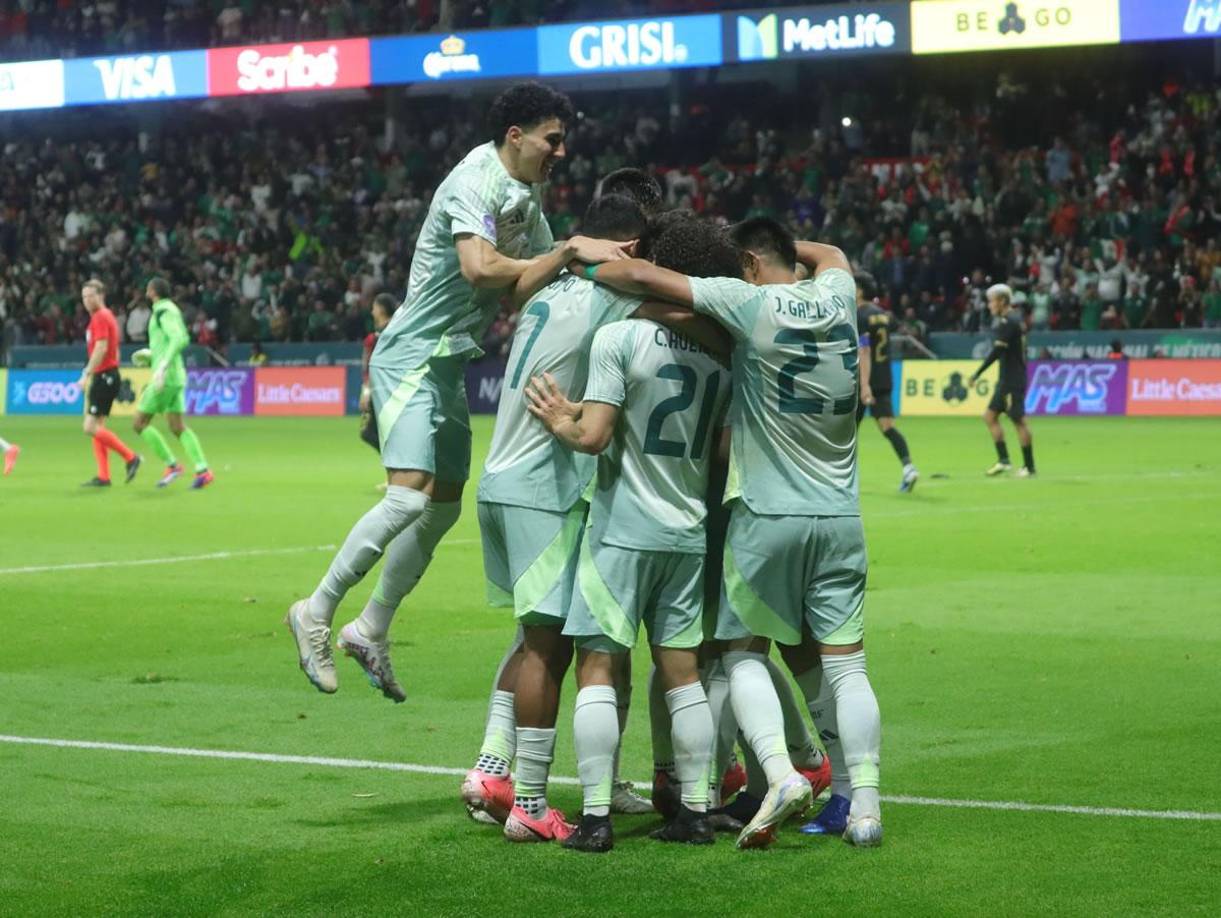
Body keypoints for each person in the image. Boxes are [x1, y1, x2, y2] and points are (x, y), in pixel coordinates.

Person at [284, 82, 627, 703]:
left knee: (442, 507)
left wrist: (580, 264)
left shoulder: (528, 192)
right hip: (412, 354)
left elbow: (525, 286)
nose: (561, 151)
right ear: (516, 136)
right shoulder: (475, 177)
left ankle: (370, 628)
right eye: (553, 139)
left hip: (449, 365)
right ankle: (316, 609)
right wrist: (571, 251)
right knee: (408, 499)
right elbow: (479, 267)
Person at [584, 219, 884, 849]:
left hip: (769, 516)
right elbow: (831, 251)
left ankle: (778, 771)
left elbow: (639, 276)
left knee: (740, 651)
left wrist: (578, 260)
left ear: (749, 263)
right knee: (847, 669)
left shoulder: (750, 303)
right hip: (842, 517)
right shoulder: (837, 297)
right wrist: (785, 245)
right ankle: (864, 808)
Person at [522, 218, 737, 853]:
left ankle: (594, 818)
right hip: (687, 533)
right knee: (682, 673)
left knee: (597, 667)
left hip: (621, 532)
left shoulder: (619, 339)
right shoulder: (723, 359)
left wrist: (561, 418)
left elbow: (593, 438)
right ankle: (696, 812)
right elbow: (722, 451)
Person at [131, 277, 213, 490]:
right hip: (176, 376)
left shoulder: (162, 312)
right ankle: (203, 470)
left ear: (152, 291)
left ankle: (172, 465)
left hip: (166, 378)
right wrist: (152, 357)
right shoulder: (169, 310)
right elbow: (171, 341)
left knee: (140, 423)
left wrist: (162, 366)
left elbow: (179, 338)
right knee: (177, 426)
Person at [852, 269, 918, 492]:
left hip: (863, 379)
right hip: (885, 377)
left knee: (848, 432)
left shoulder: (859, 315)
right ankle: (909, 467)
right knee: (888, 426)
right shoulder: (883, 315)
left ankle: (843, 479)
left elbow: (864, 350)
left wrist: (864, 385)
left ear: (859, 290)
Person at [78, 279, 141, 488]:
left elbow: (101, 347)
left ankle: (131, 457)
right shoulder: (106, 317)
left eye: (91, 296)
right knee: (98, 427)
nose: (87, 300)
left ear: (101, 295)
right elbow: (114, 348)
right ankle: (104, 476)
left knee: (89, 427)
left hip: (104, 375)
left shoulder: (100, 317)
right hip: (108, 374)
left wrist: (87, 373)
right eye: (84, 296)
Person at [969, 284, 1036, 477]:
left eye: (992, 301)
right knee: (989, 417)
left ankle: (1029, 467)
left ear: (1002, 301)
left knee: (1019, 421)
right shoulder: (1014, 320)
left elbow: (997, 352)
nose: (989, 305)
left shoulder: (1008, 322)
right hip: (1007, 379)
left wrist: (977, 373)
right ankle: (1004, 461)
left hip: (1012, 381)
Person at [359, 293, 398, 452]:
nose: (372, 312)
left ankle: (400, 466)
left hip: (381, 392)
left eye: (374, 308)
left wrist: (366, 392)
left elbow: (370, 368)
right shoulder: (398, 332)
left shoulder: (374, 339)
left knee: (369, 433)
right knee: (383, 433)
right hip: (396, 389)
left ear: (381, 310)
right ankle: (398, 470)